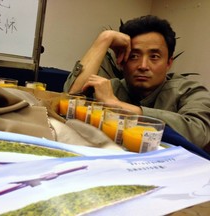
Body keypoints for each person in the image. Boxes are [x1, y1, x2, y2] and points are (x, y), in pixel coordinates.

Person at [63, 15, 210, 151]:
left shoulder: (189, 90)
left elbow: (199, 133)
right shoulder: (111, 88)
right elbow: (69, 101)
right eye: (133, 56)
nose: (143, 65)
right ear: (121, 61)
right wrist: (104, 39)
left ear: (168, 63)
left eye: (154, 56)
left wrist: (118, 106)